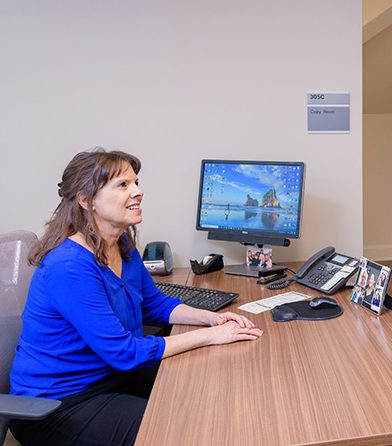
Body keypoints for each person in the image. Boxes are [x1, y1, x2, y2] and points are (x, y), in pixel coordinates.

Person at [9, 148, 263, 446]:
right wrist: (213, 336)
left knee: (207, 390)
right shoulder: (69, 266)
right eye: (123, 185)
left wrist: (212, 319)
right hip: (59, 405)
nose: (138, 192)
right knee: (186, 427)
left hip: (112, 376)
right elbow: (125, 352)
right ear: (86, 200)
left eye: (136, 183)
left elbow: (155, 304)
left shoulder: (121, 243)